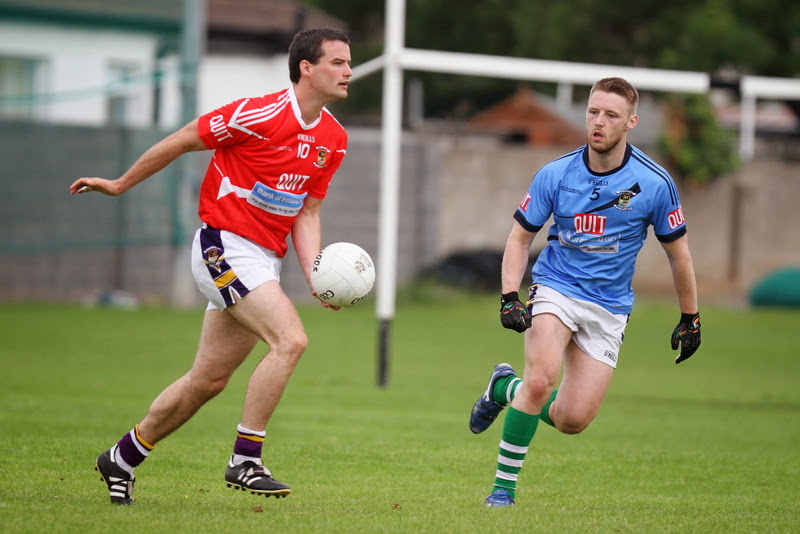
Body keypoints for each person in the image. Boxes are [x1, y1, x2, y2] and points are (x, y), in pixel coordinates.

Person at [69, 28, 353, 505]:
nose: (349, 72)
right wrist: (119, 184)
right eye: (339, 62)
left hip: (263, 259)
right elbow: (182, 139)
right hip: (222, 245)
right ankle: (246, 458)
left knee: (207, 382)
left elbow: (307, 213)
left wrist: (316, 276)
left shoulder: (333, 138)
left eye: (349, 63)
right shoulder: (257, 114)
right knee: (291, 340)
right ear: (307, 68)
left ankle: (120, 458)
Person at [468, 77, 701, 507]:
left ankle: (502, 389)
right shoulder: (555, 174)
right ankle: (502, 491)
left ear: (631, 122)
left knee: (573, 419)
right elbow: (519, 238)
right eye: (593, 111)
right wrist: (509, 296)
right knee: (541, 381)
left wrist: (690, 318)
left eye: (611, 115)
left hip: (609, 305)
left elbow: (679, 256)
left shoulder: (654, 182)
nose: (598, 121)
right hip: (556, 286)